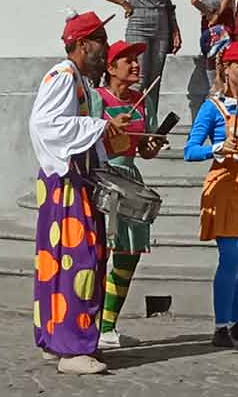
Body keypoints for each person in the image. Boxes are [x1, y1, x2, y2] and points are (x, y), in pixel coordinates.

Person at [29, 10, 130, 374]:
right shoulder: (63, 76)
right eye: (101, 41)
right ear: (83, 44)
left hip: (75, 180)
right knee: (77, 260)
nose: (105, 49)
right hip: (67, 183)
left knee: (65, 260)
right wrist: (100, 125)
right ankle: (71, 348)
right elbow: (47, 125)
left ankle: (58, 338)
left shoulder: (78, 80)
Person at [183, 41, 238, 348]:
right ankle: (221, 325)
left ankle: (237, 321)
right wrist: (216, 148)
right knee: (232, 259)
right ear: (226, 69)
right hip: (224, 188)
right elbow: (190, 151)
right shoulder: (213, 107)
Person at [89, 41, 166, 349]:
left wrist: (151, 146)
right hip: (104, 178)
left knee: (128, 255)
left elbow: (143, 150)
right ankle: (88, 324)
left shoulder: (142, 101)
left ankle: (108, 326)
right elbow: (85, 136)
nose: (136, 65)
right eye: (127, 60)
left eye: (136, 60)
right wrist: (107, 126)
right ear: (110, 69)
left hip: (130, 179)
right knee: (98, 255)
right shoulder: (98, 99)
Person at [89, 0, 181, 129]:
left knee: (155, 80)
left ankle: (151, 127)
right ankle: (131, 123)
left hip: (161, 20)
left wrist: (174, 27)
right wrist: (122, 2)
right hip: (139, 20)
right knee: (137, 75)